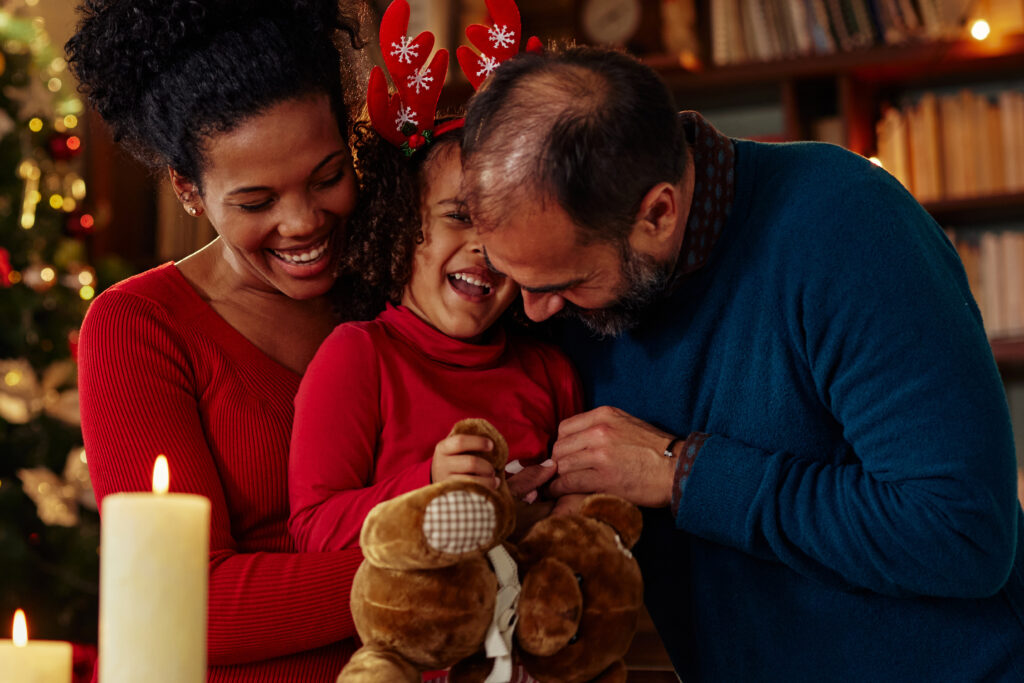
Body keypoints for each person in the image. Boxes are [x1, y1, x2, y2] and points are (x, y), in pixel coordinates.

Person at [460, 45, 1024, 681]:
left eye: (565, 282)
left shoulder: (848, 225)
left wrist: (680, 474)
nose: (533, 312)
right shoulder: (571, 282)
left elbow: (962, 533)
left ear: (658, 214)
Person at [68, 0, 369, 679]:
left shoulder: (401, 277)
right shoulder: (138, 327)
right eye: (257, 202)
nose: (303, 224)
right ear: (189, 189)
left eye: (327, 176)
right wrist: (424, 570)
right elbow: (180, 601)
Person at [287, 120, 582, 553]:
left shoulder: (550, 370)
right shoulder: (359, 355)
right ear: (401, 223)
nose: (485, 246)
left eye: (507, 225)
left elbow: (575, 512)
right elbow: (315, 530)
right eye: (460, 216)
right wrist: (431, 487)